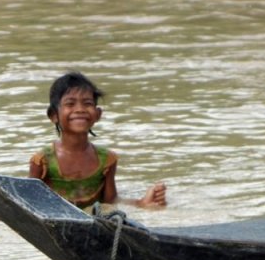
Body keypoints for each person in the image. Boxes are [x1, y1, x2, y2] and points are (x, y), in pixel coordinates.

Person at [29, 71, 167, 210]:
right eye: (70, 104)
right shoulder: (42, 161)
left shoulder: (107, 160)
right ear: (54, 115)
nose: (80, 109)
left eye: (87, 103)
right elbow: (29, 201)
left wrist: (142, 203)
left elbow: (110, 203)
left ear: (97, 114)